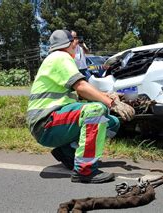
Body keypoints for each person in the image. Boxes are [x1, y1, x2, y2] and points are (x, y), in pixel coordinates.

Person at [27, 29, 135, 183]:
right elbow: (81, 86)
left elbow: (82, 93)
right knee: (97, 111)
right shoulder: (61, 57)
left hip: (52, 121)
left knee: (112, 123)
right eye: (75, 39)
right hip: (45, 123)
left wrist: (107, 96)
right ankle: (85, 170)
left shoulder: (56, 59)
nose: (77, 43)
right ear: (72, 43)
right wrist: (111, 103)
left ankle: (67, 152)